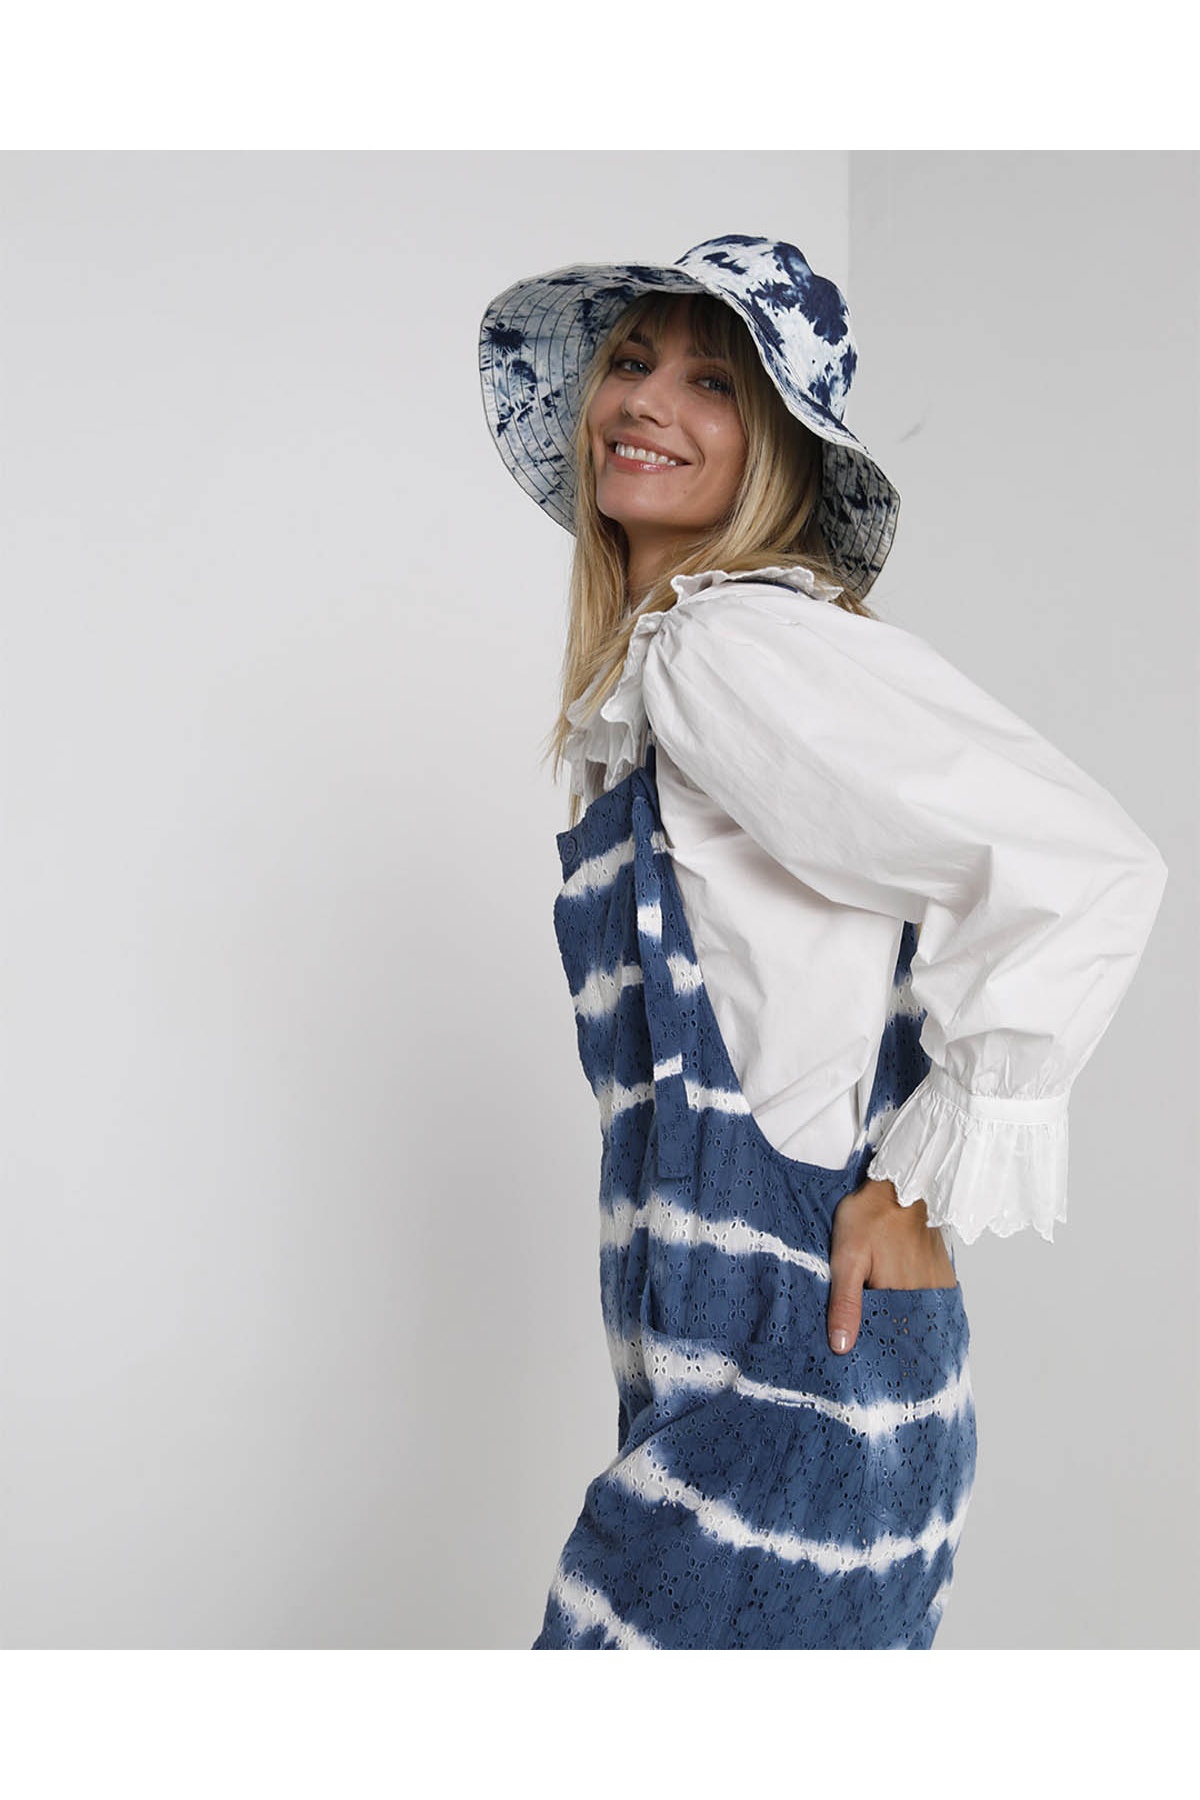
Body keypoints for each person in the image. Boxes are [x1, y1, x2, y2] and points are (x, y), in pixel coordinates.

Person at [477, 234, 1168, 1650]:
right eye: (630, 362)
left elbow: (1084, 863)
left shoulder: (727, 651)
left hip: (798, 1379)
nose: (646, 401)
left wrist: (913, 1187)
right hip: (739, 1382)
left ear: (776, 452)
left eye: (713, 383)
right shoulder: (671, 679)